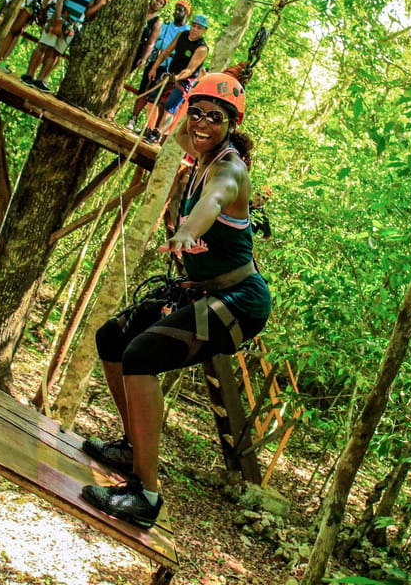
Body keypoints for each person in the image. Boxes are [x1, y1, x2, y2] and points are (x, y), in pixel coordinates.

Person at [81, 73, 271, 529]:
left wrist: (188, 230)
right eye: (198, 113)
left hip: (240, 301)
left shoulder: (229, 171)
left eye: (216, 117)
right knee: (113, 337)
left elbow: (215, 200)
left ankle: (145, 495)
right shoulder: (197, 151)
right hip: (203, 291)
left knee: (141, 354)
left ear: (232, 124)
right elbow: (185, 130)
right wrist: (208, 91)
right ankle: (132, 447)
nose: (203, 123)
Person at [20, 0, 113, 92]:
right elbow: (60, 0)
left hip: (72, 24)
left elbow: (86, 12)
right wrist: (57, 20)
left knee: (56, 52)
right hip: (60, 17)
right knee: (44, 45)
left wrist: (101, 4)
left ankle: (40, 79)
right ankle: (29, 75)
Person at [143, 14, 210, 144]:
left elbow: (190, 69)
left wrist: (177, 77)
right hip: (170, 73)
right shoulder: (182, 35)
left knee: (170, 106)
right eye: (194, 26)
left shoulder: (201, 48)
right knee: (152, 99)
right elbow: (166, 52)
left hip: (185, 80)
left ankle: (158, 134)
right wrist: (154, 68)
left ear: (204, 31)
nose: (195, 29)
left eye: (199, 28)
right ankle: (150, 129)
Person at [127, 0, 191, 132]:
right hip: (157, 62)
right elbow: (155, 41)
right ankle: (133, 118)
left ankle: (150, 127)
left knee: (160, 98)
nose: (177, 12)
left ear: (187, 14)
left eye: (181, 9)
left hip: (172, 69)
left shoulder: (188, 31)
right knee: (145, 90)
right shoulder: (165, 26)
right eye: (176, 8)